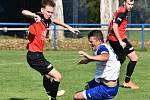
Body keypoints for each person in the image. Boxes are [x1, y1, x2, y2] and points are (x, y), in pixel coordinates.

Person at [22, 0, 79, 100]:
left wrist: (69, 27)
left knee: (47, 76)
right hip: (34, 56)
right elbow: (23, 12)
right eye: (48, 12)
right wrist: (33, 15)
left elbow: (56, 21)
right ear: (42, 10)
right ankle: (53, 96)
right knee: (58, 76)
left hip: (38, 55)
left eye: (51, 12)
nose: (50, 14)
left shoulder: (47, 20)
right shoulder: (36, 17)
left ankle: (50, 92)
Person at [73, 30, 120, 100]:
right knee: (88, 87)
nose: (89, 43)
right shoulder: (103, 47)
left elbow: (105, 57)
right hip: (106, 83)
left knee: (76, 96)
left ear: (99, 41)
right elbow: (101, 58)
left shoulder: (102, 48)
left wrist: (89, 56)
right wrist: (87, 61)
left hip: (107, 89)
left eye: (91, 41)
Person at [107, 0, 139, 89]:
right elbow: (114, 26)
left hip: (113, 38)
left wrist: (109, 35)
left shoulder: (120, 9)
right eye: (129, 4)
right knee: (134, 58)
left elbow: (112, 22)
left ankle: (108, 77)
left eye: (132, 4)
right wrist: (120, 41)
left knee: (120, 59)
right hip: (118, 39)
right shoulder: (123, 12)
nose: (130, 6)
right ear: (124, 2)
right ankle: (127, 82)